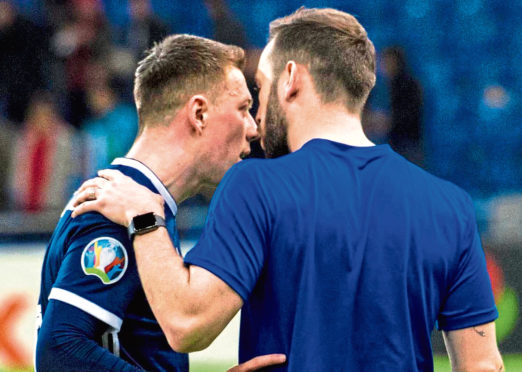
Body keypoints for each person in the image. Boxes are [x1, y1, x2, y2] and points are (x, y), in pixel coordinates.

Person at [73, 8, 504, 372]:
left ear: (292, 77)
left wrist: (144, 217)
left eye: (260, 88)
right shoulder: (450, 206)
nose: (257, 118)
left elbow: (187, 323)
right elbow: (483, 365)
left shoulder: (256, 186)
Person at [35, 34, 285, 371]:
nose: (253, 128)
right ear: (199, 113)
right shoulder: (118, 212)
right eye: (242, 109)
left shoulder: (139, 204)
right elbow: (60, 349)